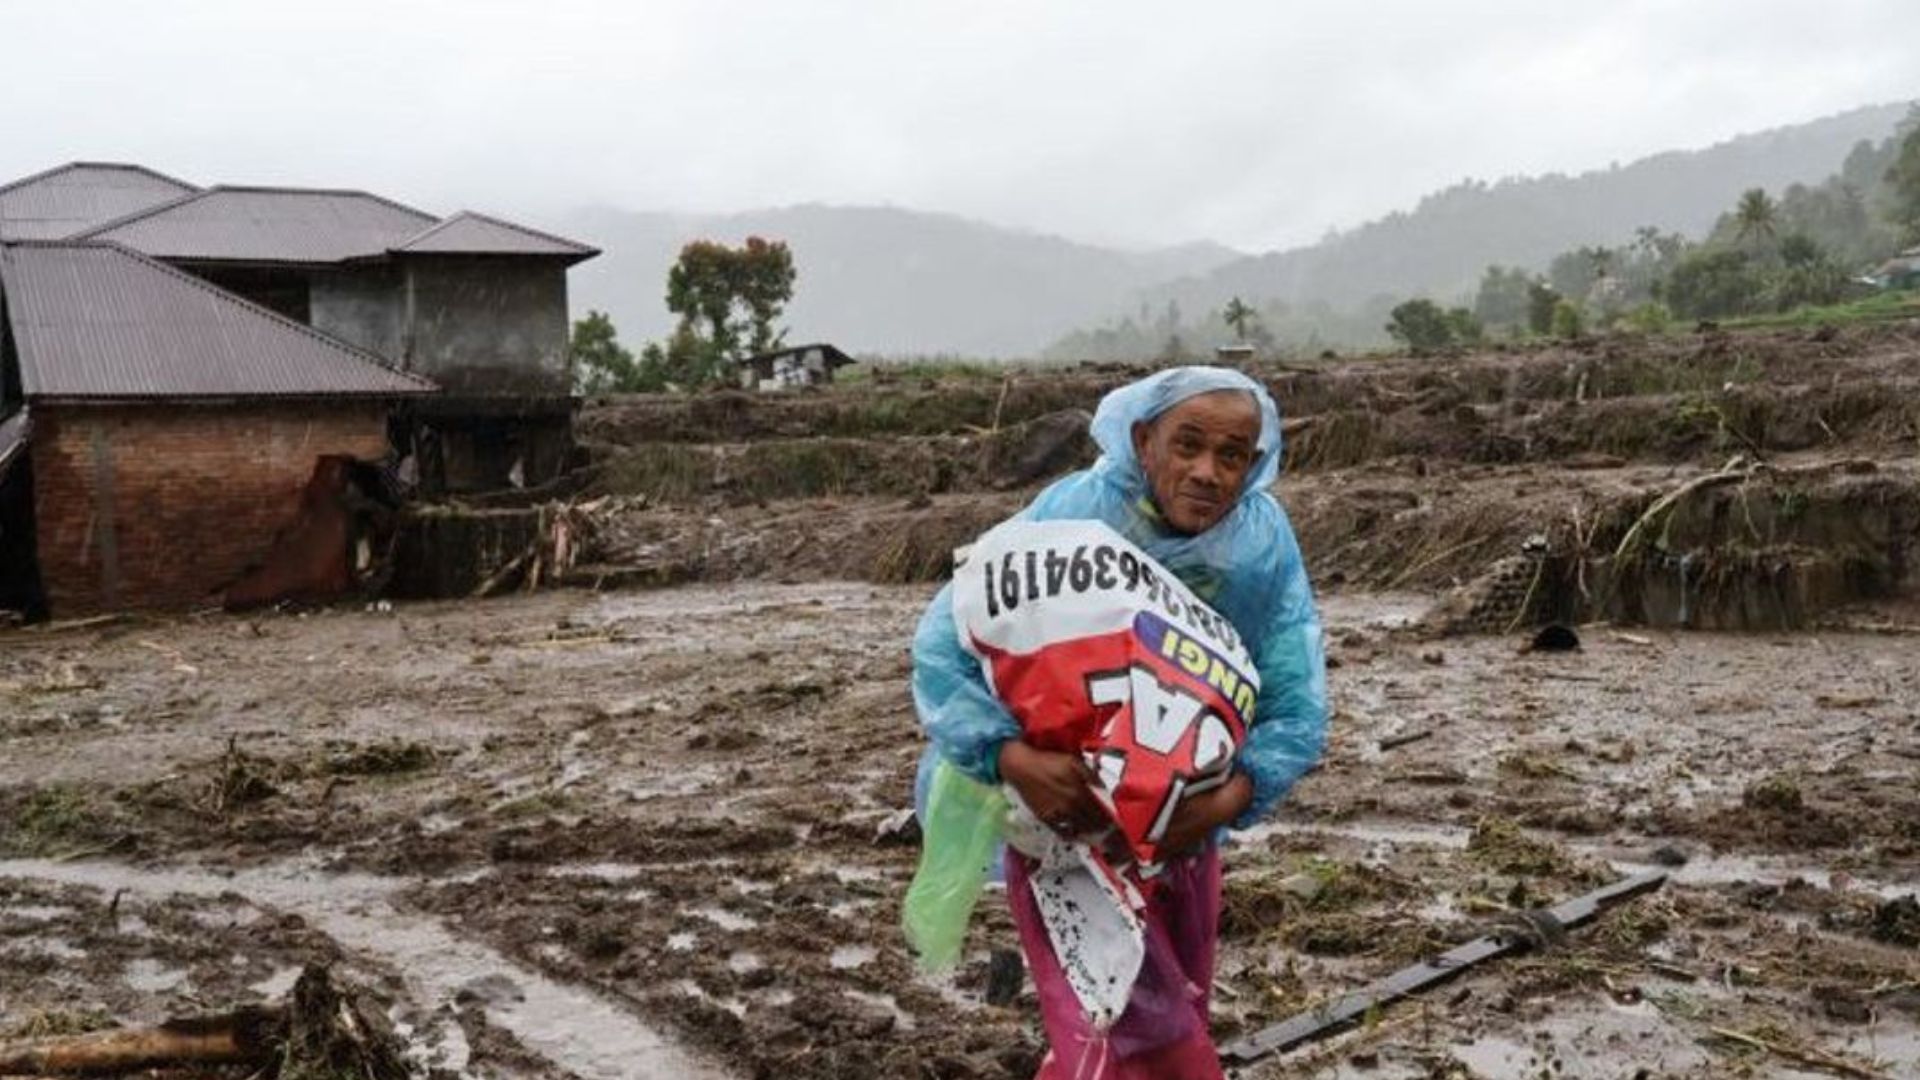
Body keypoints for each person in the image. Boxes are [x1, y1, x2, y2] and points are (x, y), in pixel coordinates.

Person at [911, 366, 1328, 1078]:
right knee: (1130, 1029)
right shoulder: (1072, 516)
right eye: (1186, 446)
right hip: (1064, 827)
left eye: (1232, 457)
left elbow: (1296, 695)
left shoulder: (1259, 544)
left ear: (1255, 464)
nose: (1207, 473)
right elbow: (944, 643)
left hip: (1184, 827)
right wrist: (1012, 758)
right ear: (1142, 440)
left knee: (1172, 1006)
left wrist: (1228, 799)